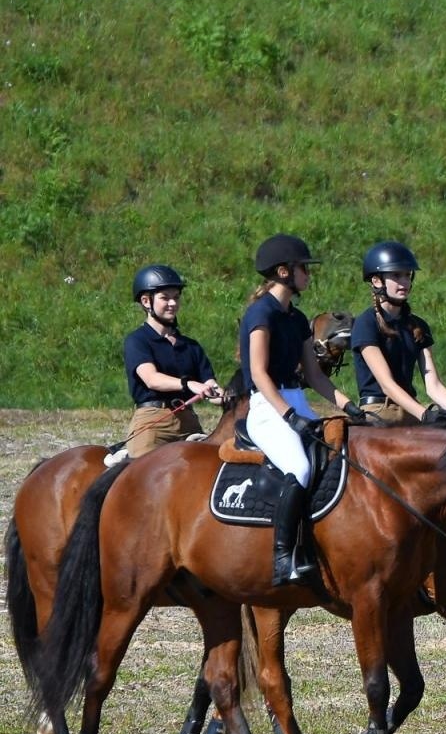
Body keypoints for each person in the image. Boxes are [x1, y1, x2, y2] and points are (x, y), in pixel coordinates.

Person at [239, 234, 364, 585]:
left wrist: (348, 406)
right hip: (267, 406)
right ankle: (282, 556)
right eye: (303, 268)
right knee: (299, 466)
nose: (308, 274)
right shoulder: (260, 313)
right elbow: (260, 374)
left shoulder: (297, 319)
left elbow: (314, 376)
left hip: (296, 400)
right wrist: (289, 416)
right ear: (283, 272)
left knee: (336, 459)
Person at [351, 240, 446, 425]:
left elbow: (433, 386)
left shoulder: (418, 325)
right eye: (396, 275)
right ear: (376, 280)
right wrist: (424, 414)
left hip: (411, 410)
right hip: (379, 412)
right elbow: (387, 385)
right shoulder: (366, 323)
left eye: (407, 275)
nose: (404, 281)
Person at [121, 265, 223, 458]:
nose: (173, 303)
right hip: (153, 424)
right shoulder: (137, 341)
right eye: (165, 297)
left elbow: (211, 387)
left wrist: (233, 396)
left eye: (176, 297)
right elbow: (152, 379)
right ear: (146, 301)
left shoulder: (191, 346)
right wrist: (188, 384)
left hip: (188, 422)